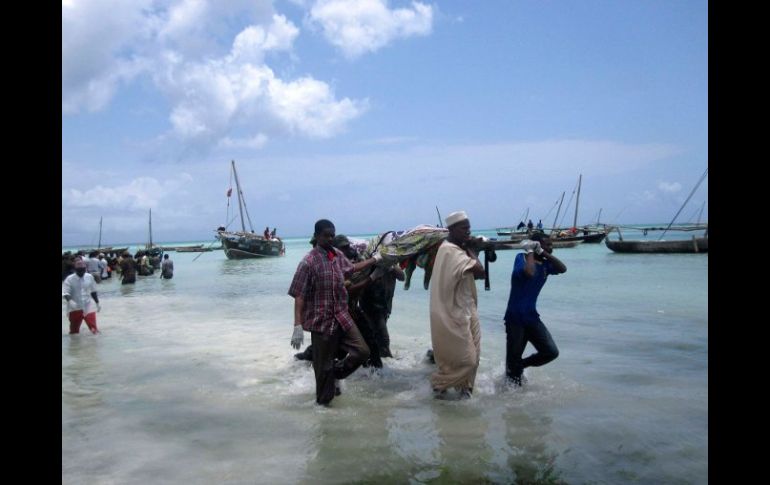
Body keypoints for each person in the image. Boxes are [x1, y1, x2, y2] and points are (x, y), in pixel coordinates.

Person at [288, 219, 382, 405]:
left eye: (332, 235)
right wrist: (297, 325)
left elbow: (352, 268)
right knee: (323, 374)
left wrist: (375, 260)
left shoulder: (337, 255)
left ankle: (334, 374)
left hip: (342, 316)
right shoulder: (308, 262)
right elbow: (299, 295)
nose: (330, 239)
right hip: (321, 320)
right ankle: (323, 411)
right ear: (316, 236)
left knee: (362, 352)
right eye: (326, 236)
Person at [429, 211, 486, 399]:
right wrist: (472, 250)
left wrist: (468, 249)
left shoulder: (459, 250)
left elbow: (478, 275)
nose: (468, 232)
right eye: (464, 229)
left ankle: (465, 390)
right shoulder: (449, 250)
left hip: (469, 307)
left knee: (476, 355)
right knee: (467, 359)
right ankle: (439, 384)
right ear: (452, 230)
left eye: (469, 228)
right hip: (454, 312)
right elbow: (479, 270)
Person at [503, 232, 567, 386]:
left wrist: (543, 252)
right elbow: (529, 272)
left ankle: (520, 365)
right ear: (536, 244)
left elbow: (563, 268)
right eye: (547, 244)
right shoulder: (521, 258)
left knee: (551, 352)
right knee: (513, 361)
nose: (551, 247)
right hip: (515, 318)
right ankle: (508, 391)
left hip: (531, 317)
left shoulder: (546, 265)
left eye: (551, 245)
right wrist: (530, 250)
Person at [62, 259, 101, 334]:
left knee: (94, 330)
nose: (81, 271)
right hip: (75, 308)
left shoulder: (89, 277)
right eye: (79, 269)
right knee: (74, 331)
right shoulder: (69, 279)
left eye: (83, 268)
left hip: (88, 306)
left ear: (85, 268)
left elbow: (93, 291)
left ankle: (96, 341)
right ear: (75, 268)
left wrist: (97, 303)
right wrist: (70, 301)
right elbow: (65, 292)